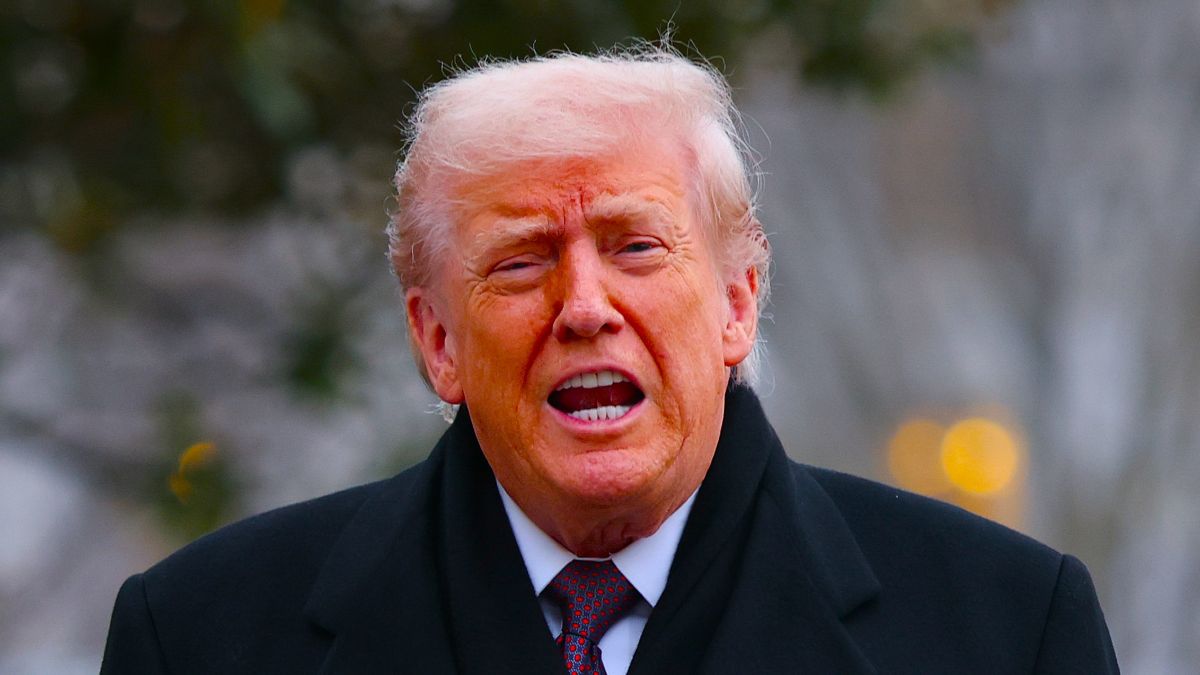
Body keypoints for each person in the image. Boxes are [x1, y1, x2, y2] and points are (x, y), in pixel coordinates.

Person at [101, 46, 1119, 674]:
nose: (585, 306)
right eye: (521, 260)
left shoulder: (1008, 629)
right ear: (437, 340)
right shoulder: (198, 637)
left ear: (736, 301)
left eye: (636, 246)